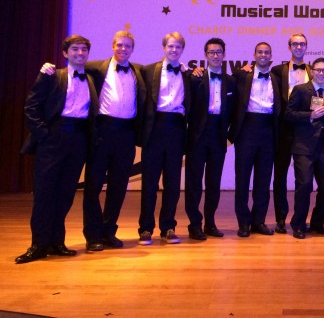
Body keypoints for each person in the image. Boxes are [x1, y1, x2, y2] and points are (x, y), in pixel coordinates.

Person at [42, 31, 147, 251]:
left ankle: (109, 232)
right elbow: (70, 70)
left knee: (118, 187)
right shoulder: (95, 68)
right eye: (119, 45)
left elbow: (162, 71)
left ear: (132, 49)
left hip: (127, 134)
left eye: (128, 46)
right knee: (93, 186)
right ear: (113, 46)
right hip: (101, 133)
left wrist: (184, 68)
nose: (123, 49)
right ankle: (93, 235)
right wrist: (48, 69)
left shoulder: (139, 71)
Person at [16, 36, 99, 263]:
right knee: (44, 193)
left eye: (84, 49)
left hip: (78, 140)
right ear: (65, 53)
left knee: (65, 193)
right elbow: (31, 106)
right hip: (53, 138)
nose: (80, 53)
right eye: (75, 49)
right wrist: (44, 135)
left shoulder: (92, 79)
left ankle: (56, 242)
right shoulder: (52, 75)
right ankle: (38, 245)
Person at [137, 32, 191, 245]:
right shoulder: (149, 70)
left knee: (173, 183)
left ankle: (168, 227)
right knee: (149, 183)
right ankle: (145, 228)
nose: (174, 50)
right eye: (171, 46)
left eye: (178, 47)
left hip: (176, 130)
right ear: (164, 48)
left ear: (182, 49)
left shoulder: (188, 74)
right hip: (155, 130)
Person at [185, 38, 236, 240]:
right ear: (205, 55)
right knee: (194, 183)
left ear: (224, 54)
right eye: (212, 52)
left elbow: (236, 111)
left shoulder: (231, 81)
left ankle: (210, 223)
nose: (215, 55)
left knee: (214, 183)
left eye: (219, 52)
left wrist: (230, 137)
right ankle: (194, 224)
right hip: (197, 136)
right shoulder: (195, 78)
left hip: (218, 137)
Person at [229, 42, 280, 237]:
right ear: (254, 54)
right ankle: (243, 223)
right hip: (247, 130)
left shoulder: (276, 78)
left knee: (264, 179)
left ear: (271, 55)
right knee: (242, 178)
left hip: (268, 131)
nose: (263, 55)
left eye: (267, 52)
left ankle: (259, 221)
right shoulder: (242, 75)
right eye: (260, 52)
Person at [285, 57, 324, 239]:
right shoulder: (300, 89)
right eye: (318, 70)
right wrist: (310, 115)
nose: (321, 73)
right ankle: (298, 224)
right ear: (312, 71)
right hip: (304, 147)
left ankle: (317, 223)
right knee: (304, 185)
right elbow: (288, 114)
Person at [270, 33, 313, 233]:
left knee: (303, 178)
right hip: (283, 129)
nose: (298, 47)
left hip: (305, 130)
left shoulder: (313, 71)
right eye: (295, 44)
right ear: (289, 47)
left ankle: (299, 219)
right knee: (280, 175)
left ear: (306, 47)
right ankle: (280, 218)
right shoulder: (277, 71)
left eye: (302, 44)